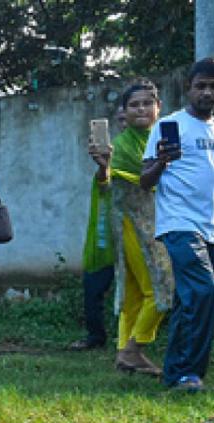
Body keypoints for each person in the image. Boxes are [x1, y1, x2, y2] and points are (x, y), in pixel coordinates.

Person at [141, 58, 214, 391]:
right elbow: (144, 180)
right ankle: (189, 374)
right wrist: (163, 162)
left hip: (210, 229)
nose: (208, 91)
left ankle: (172, 374)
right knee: (204, 290)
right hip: (178, 224)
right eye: (201, 85)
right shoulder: (170, 125)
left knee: (187, 301)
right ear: (188, 88)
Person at [89, 80, 174, 376]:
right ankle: (132, 350)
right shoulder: (123, 146)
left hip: (158, 223)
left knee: (137, 292)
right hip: (133, 225)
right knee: (161, 290)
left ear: (158, 108)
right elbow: (110, 183)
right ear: (124, 112)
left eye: (147, 103)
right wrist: (104, 168)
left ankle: (124, 355)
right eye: (134, 104)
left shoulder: (163, 139)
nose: (141, 109)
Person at [69, 106, 127, 351]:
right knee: (93, 287)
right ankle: (96, 336)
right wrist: (104, 166)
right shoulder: (113, 150)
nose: (127, 122)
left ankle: (133, 341)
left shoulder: (150, 148)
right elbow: (104, 184)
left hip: (137, 230)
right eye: (123, 118)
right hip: (106, 232)